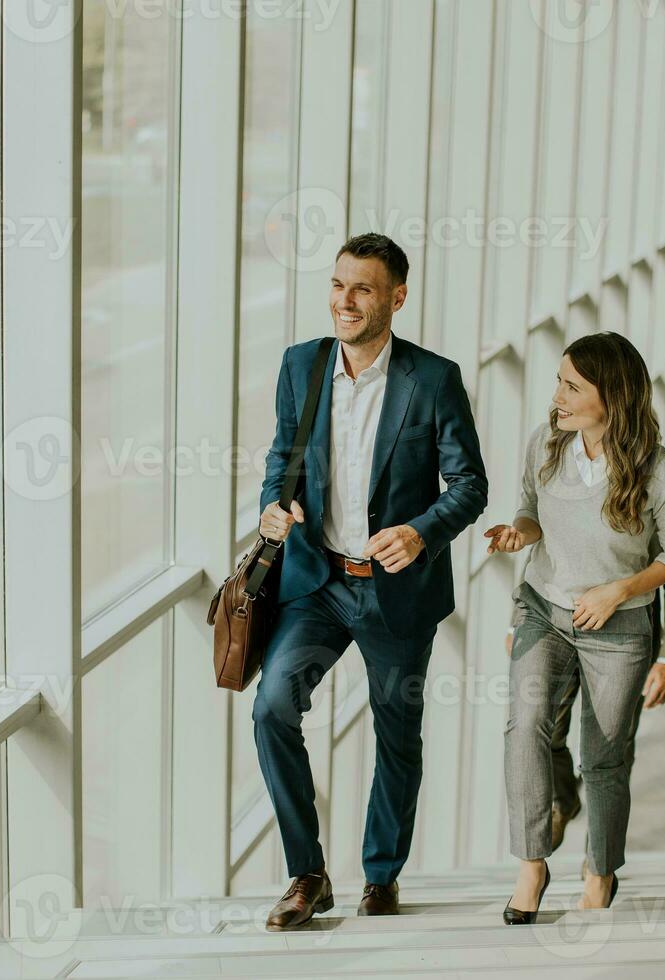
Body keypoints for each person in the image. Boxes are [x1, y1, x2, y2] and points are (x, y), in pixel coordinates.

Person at [254, 233, 488, 931]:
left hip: (397, 590)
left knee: (397, 735)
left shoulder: (433, 378)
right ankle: (308, 873)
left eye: (361, 289)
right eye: (337, 285)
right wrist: (274, 503)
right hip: (318, 581)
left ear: (396, 297)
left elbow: (470, 483)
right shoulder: (303, 365)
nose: (344, 301)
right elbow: (281, 457)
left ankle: (381, 875)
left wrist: (421, 531)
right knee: (271, 709)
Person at [486, 331, 665, 923]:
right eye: (559, 381)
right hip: (543, 609)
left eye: (572, 386)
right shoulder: (547, 444)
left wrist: (621, 590)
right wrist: (518, 533)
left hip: (619, 627)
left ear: (613, 397)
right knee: (524, 726)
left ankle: (599, 873)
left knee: (604, 758)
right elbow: (531, 510)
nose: (557, 396)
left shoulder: (661, 471)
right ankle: (531, 865)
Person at [511, 563, 665, 851]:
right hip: (556, 623)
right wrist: (517, 620)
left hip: (631, 629)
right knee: (545, 726)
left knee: (613, 743)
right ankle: (565, 798)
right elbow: (543, 544)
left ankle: (598, 850)